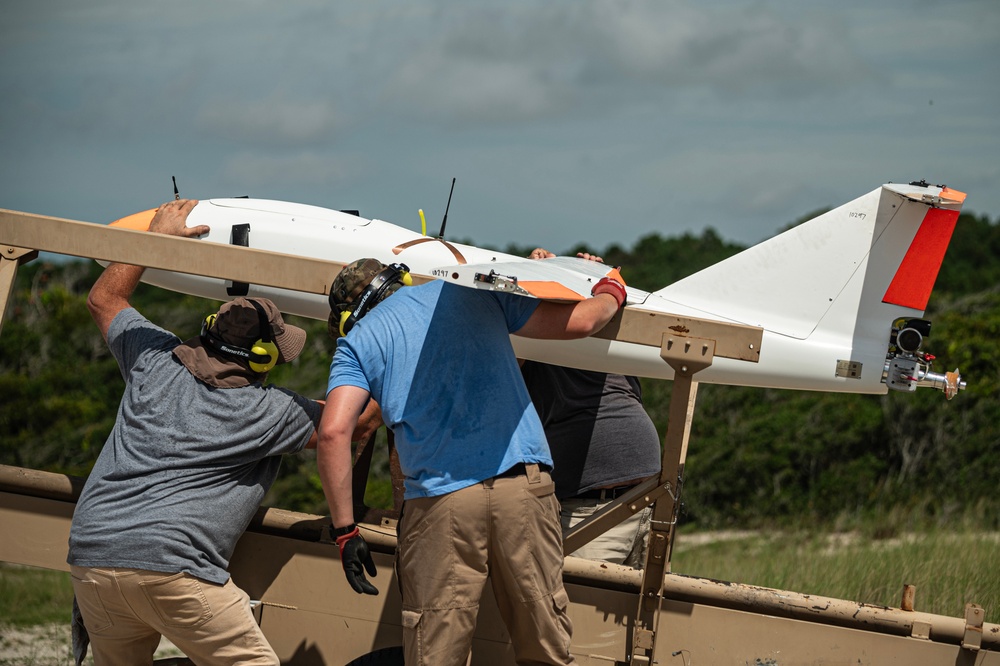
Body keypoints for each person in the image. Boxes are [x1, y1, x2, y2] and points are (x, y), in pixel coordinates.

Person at [317, 257, 627, 666]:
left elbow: (334, 432)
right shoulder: (472, 291)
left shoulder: (358, 341)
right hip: (522, 488)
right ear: (402, 278)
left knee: (437, 652)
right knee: (544, 644)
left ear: (347, 319)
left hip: (439, 504)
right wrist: (612, 288)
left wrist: (345, 532)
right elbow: (585, 322)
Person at [67, 199, 325, 666]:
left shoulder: (152, 360)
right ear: (265, 358)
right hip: (174, 567)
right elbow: (352, 422)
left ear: (208, 331)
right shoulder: (271, 411)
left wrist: (155, 240)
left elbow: (104, 298)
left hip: (92, 556)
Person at [521, 248, 661, 569]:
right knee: (585, 615)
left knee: (640, 618)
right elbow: (583, 319)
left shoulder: (607, 333)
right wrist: (536, 276)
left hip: (645, 495)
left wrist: (581, 276)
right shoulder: (531, 330)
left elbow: (601, 313)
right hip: (590, 508)